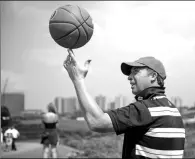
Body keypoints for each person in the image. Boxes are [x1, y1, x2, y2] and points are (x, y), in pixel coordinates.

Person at [63, 49, 185, 159]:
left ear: (153, 76)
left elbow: (96, 121)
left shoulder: (145, 109)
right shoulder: (173, 110)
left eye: (135, 72)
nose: (129, 77)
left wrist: (78, 80)